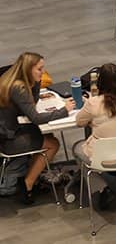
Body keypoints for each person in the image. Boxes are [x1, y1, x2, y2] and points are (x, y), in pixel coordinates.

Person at [0, 52, 74, 204]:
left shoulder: (11, 80)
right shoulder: (18, 88)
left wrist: (37, 81)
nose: (43, 72)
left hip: (8, 131)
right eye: (39, 69)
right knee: (53, 144)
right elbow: (36, 118)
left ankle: (33, 172)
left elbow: (32, 101)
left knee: (49, 137)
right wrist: (64, 110)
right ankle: (28, 184)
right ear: (28, 69)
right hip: (8, 140)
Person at [74, 63, 116, 209]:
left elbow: (79, 122)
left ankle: (103, 188)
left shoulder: (93, 103)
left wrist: (93, 122)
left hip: (104, 155)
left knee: (79, 150)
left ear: (100, 82)